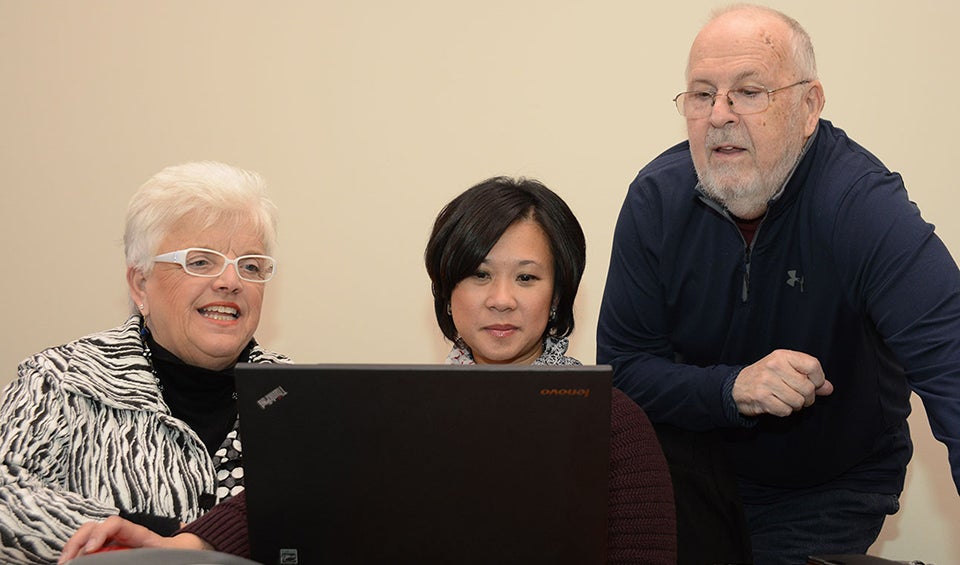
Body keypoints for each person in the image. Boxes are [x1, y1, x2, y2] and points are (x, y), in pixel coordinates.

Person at [61, 176, 678, 565]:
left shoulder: (613, 422)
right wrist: (180, 548)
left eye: (527, 277)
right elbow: (291, 497)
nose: (502, 299)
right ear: (446, 292)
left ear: (557, 294)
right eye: (478, 274)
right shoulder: (400, 408)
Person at [596, 4, 960, 565]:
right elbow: (623, 372)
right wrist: (731, 388)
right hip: (688, 473)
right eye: (701, 94)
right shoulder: (656, 200)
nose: (719, 115)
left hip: (828, 486)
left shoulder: (862, 205)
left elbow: (952, 365)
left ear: (809, 106)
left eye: (749, 91)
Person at [0, 161, 290, 565]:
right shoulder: (62, 380)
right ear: (140, 284)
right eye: (200, 261)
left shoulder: (299, 396)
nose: (231, 281)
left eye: (251, 266)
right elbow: (5, 493)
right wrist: (141, 542)